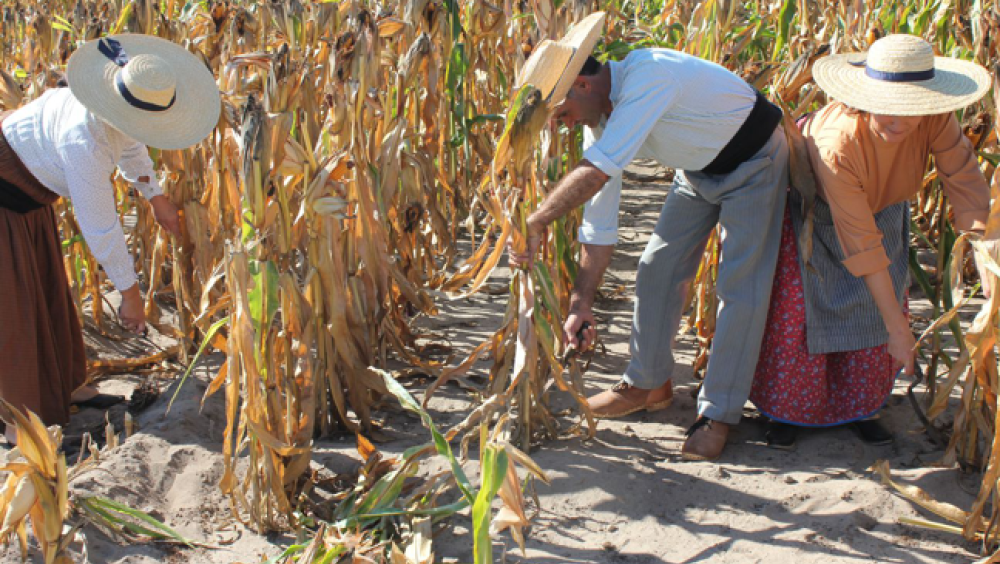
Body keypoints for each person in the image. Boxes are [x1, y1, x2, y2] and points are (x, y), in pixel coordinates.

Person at [508, 12, 789, 461]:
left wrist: (538, 219)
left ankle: (718, 413)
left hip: (755, 162)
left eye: (561, 112)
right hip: (697, 171)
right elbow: (599, 223)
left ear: (582, 84)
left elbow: (597, 173)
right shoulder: (599, 119)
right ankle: (648, 384)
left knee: (740, 287)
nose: (561, 123)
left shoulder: (647, 76)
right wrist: (581, 303)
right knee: (657, 266)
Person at [749, 34, 993, 449]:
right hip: (819, 212)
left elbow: (963, 177)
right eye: (888, 109)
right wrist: (900, 331)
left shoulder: (932, 114)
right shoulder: (838, 145)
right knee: (806, 313)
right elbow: (861, 245)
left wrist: (987, 253)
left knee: (870, 312)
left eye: (910, 110)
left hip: (884, 208)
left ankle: (858, 408)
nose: (900, 121)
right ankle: (787, 413)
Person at [0, 34, 221, 447]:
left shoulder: (116, 109)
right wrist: (130, 294)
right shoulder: (82, 140)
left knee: (48, 293)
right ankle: (18, 428)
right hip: (4, 199)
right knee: (15, 311)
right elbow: (100, 226)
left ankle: (68, 389)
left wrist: (155, 197)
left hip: (29, 199)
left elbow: (131, 145)